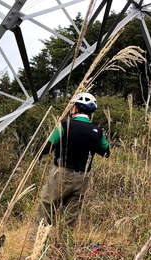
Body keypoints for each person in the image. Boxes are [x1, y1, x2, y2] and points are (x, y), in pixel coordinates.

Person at [38, 92, 110, 226]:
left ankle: (38, 240)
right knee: (71, 215)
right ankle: (64, 244)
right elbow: (106, 152)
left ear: (76, 108)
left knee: (47, 205)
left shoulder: (65, 125)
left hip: (62, 174)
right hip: (82, 178)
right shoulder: (97, 131)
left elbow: (47, 146)